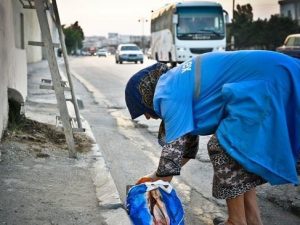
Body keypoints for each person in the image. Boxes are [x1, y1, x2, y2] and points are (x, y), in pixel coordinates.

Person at [125, 50, 300, 225]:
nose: (147, 117)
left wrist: (151, 190)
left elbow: (172, 156)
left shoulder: (168, 93)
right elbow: (186, 149)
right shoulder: (175, 81)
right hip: (280, 72)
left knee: (225, 146)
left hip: (272, 80)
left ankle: (236, 221)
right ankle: (252, 221)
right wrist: (154, 177)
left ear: (145, 94)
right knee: (240, 154)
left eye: (142, 109)